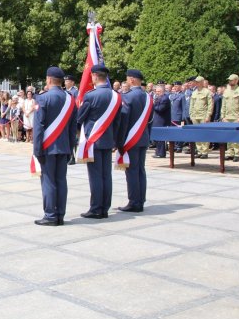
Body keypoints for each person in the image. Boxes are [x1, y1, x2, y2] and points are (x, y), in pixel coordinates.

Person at [76, 64, 122, 219]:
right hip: (108, 140)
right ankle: (105, 208)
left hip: (93, 141)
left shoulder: (90, 96)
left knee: (95, 176)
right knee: (106, 176)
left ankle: (96, 208)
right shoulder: (116, 96)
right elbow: (117, 121)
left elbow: (80, 117)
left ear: (95, 76)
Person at [33, 66, 77, 226]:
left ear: (49, 79)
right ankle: (60, 215)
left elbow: (39, 127)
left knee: (49, 181)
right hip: (64, 147)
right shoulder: (70, 98)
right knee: (61, 181)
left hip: (48, 147)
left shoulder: (43, 98)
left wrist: (37, 150)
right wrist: (70, 148)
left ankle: (51, 215)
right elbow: (73, 128)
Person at [117, 69, 154, 213]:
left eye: (127, 79)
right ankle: (141, 200)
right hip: (143, 138)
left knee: (132, 171)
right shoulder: (148, 97)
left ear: (132, 80)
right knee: (140, 171)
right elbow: (150, 119)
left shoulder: (128, 97)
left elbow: (124, 121)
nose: (126, 81)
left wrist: (120, 141)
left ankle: (134, 202)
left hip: (130, 139)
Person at [221, 74, 239, 161]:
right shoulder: (226, 91)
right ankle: (229, 153)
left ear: (236, 81)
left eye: (231, 80)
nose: (230, 81)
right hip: (227, 117)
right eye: (229, 80)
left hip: (236, 116)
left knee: (236, 136)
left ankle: (237, 153)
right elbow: (223, 104)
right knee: (228, 136)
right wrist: (222, 116)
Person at [189, 76, 214, 158]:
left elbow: (210, 105)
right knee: (197, 134)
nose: (196, 83)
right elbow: (191, 104)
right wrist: (191, 114)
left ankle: (204, 151)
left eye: (197, 82)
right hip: (195, 116)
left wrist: (208, 115)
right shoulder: (194, 92)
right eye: (195, 82)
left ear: (202, 82)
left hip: (203, 116)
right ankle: (199, 150)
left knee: (204, 134)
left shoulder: (207, 92)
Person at [151, 85, 170, 158]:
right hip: (157, 120)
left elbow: (160, 109)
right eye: (156, 91)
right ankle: (158, 152)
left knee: (160, 137)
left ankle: (161, 153)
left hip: (161, 120)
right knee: (157, 137)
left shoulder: (165, 99)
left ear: (163, 91)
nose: (157, 93)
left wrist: (153, 104)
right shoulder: (158, 98)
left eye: (159, 91)